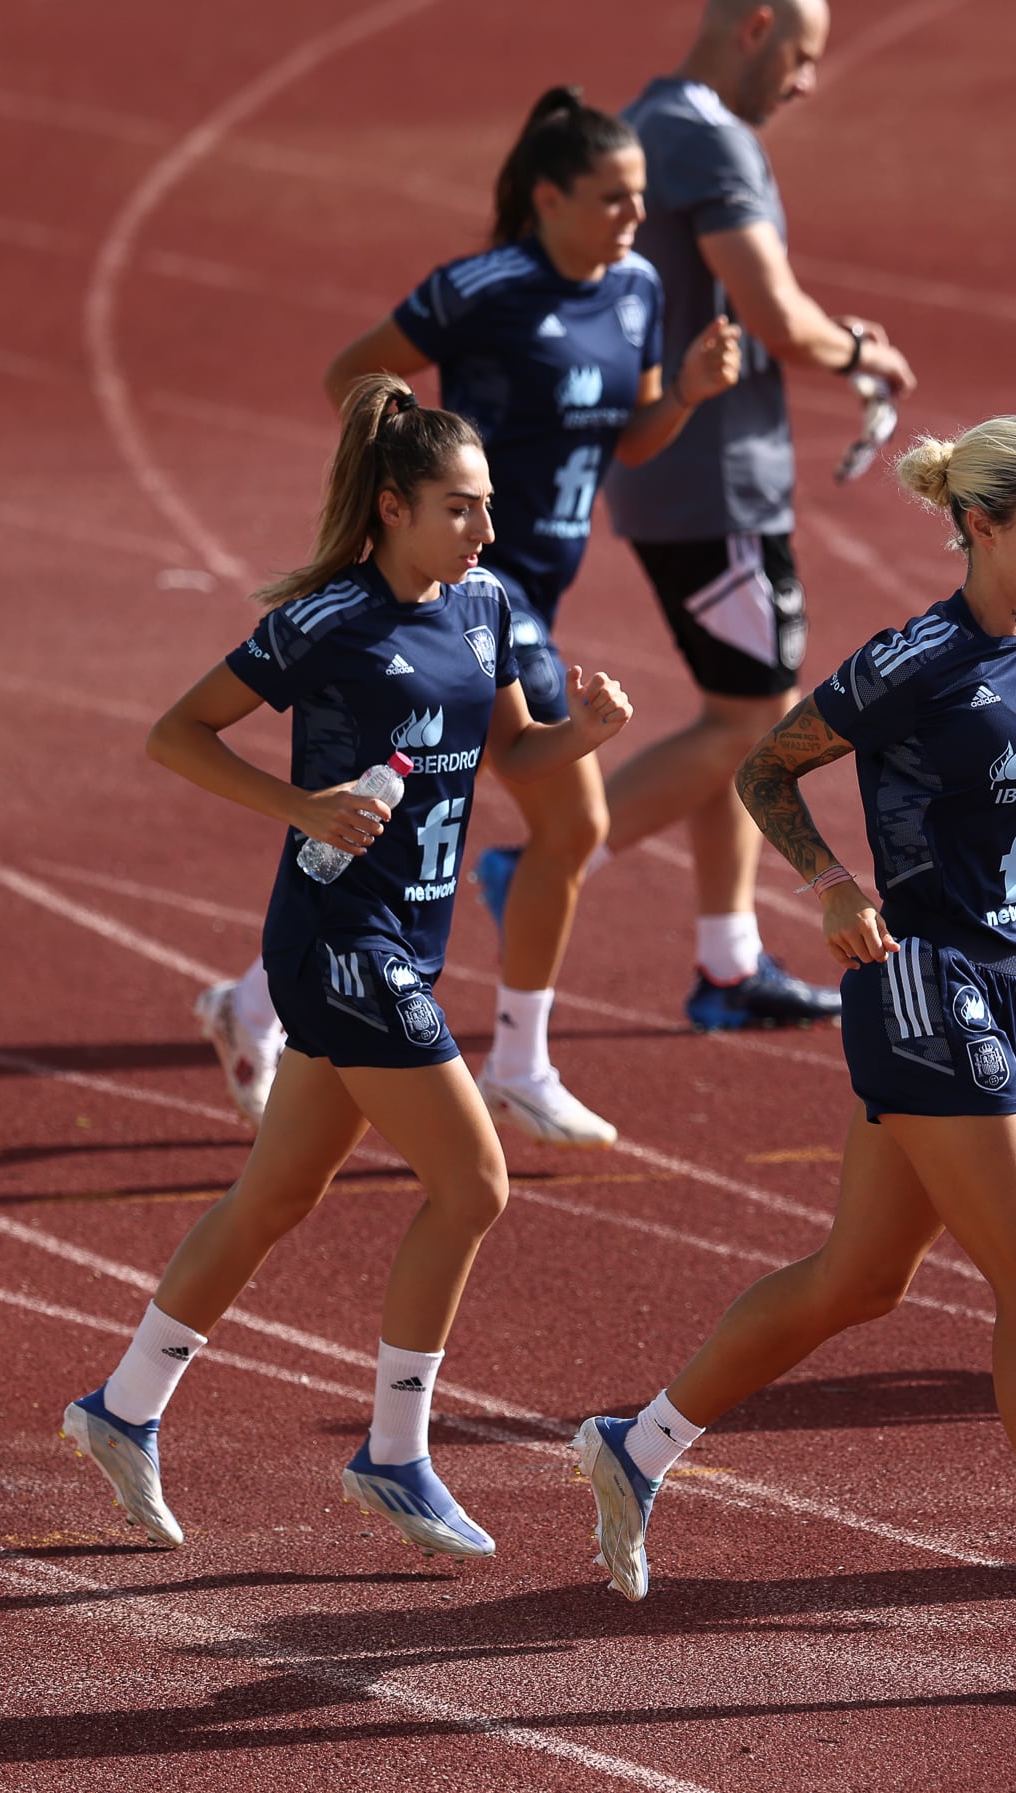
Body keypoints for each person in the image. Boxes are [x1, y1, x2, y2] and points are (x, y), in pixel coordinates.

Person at [568, 417, 1016, 1661]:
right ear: (980, 526)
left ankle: (637, 1442)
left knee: (859, 1280)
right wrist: (830, 883)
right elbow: (767, 770)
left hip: (1006, 977)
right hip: (920, 983)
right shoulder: (912, 660)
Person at [68, 378, 632, 1558]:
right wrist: (298, 806)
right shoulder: (326, 622)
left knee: (276, 1195)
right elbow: (179, 732)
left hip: (403, 942)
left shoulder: (486, 606)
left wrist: (587, 732)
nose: (485, 529)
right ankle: (395, 1452)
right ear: (390, 506)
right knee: (475, 1185)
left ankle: (122, 1408)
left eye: (487, 506)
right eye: (459, 507)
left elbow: (518, 754)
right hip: (338, 947)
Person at [196, 89, 737, 1148]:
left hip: (528, 581)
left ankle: (252, 1001)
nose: (634, 220)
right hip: (481, 589)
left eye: (642, 200)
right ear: (546, 198)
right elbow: (351, 374)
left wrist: (687, 398)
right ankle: (521, 1061)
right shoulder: (481, 288)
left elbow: (625, 441)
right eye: (611, 199)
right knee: (571, 821)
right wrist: (414, 489)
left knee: (406, 807)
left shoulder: (637, 290)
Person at [602, 0, 918, 1032]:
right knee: (754, 723)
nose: (807, 82)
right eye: (803, 56)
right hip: (713, 485)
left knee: (741, 715)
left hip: (689, 474)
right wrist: (862, 352)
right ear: (756, 29)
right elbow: (774, 316)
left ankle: (727, 963)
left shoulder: (649, 119)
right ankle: (534, 856)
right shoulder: (705, 139)